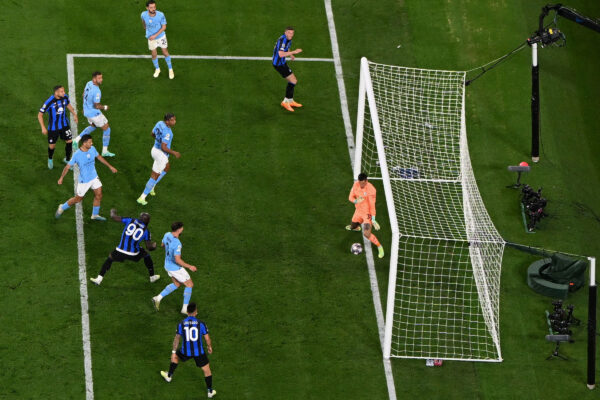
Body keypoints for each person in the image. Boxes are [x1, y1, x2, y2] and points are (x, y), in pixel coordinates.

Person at [90, 209, 160, 285]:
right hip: (134, 254)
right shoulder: (146, 231)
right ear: (148, 222)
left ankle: (99, 279)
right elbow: (149, 247)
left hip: (120, 251)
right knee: (146, 254)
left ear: (139, 218)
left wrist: (112, 212)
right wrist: (154, 246)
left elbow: (114, 217)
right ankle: (152, 277)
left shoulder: (131, 220)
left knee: (110, 258)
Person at [55, 134, 117, 221]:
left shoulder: (92, 149)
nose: (91, 143)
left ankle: (95, 215)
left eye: (91, 142)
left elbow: (99, 157)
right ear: (84, 143)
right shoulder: (77, 155)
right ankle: (62, 207)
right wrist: (61, 177)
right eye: (89, 142)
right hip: (84, 181)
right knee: (78, 199)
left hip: (94, 177)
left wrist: (110, 166)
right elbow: (67, 167)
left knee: (99, 195)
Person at [160, 302, 216, 398]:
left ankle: (169, 376)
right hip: (199, 352)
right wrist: (209, 347)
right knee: (207, 371)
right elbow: (207, 338)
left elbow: (177, 338)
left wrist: (173, 352)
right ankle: (210, 392)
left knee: (175, 357)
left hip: (185, 351)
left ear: (187, 311)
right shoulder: (201, 323)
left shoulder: (181, 324)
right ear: (196, 312)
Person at [152, 222, 197, 314]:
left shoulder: (167, 234)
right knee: (189, 284)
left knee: (177, 284)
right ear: (179, 229)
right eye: (182, 228)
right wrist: (190, 266)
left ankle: (158, 298)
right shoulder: (177, 243)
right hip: (175, 268)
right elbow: (177, 260)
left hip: (167, 265)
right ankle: (184, 309)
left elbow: (162, 245)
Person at [137, 113, 180, 205]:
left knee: (167, 167)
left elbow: (152, 134)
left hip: (154, 150)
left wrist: (158, 140)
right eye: (172, 120)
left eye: (175, 119)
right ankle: (142, 197)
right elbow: (164, 147)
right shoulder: (168, 133)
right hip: (161, 155)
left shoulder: (159, 123)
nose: (174, 122)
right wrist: (174, 153)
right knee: (154, 175)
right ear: (167, 121)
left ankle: (153, 186)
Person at [73, 71, 115, 157]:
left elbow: (83, 95)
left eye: (101, 78)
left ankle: (76, 140)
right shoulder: (97, 91)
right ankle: (105, 151)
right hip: (94, 114)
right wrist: (105, 107)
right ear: (94, 79)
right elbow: (96, 106)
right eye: (99, 78)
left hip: (87, 111)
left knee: (93, 126)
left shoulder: (88, 83)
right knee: (107, 128)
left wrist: (85, 108)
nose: (101, 80)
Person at [38, 85, 78, 169]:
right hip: (53, 128)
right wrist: (43, 127)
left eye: (64, 91)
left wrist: (74, 114)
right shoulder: (49, 101)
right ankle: (50, 158)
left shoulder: (65, 97)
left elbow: (68, 105)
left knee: (69, 141)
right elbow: (40, 115)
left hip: (64, 125)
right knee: (52, 145)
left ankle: (67, 159)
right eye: (62, 91)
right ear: (56, 93)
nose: (64, 93)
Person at [346, 172, 385, 258]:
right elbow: (350, 197)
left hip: (367, 214)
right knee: (353, 226)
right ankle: (357, 227)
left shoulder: (371, 190)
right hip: (358, 211)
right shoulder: (356, 185)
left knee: (367, 234)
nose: (360, 185)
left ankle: (380, 247)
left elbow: (372, 205)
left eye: (362, 183)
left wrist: (373, 219)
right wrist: (356, 201)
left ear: (366, 181)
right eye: (359, 182)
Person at [272, 27, 303, 112]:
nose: (291, 35)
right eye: (289, 33)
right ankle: (285, 102)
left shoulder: (288, 39)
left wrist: (290, 55)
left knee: (293, 81)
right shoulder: (283, 40)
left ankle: (290, 100)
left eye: (292, 33)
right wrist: (294, 52)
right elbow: (281, 54)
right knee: (293, 81)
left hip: (282, 63)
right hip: (279, 64)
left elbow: (287, 48)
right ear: (285, 32)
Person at [141, 0, 174, 79]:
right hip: (150, 37)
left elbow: (164, 27)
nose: (153, 9)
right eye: (151, 7)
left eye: (154, 7)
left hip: (161, 36)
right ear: (147, 8)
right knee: (153, 54)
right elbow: (143, 22)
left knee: (165, 52)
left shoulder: (160, 15)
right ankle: (157, 69)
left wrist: (155, 35)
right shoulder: (143, 14)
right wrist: (145, 28)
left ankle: (170, 69)